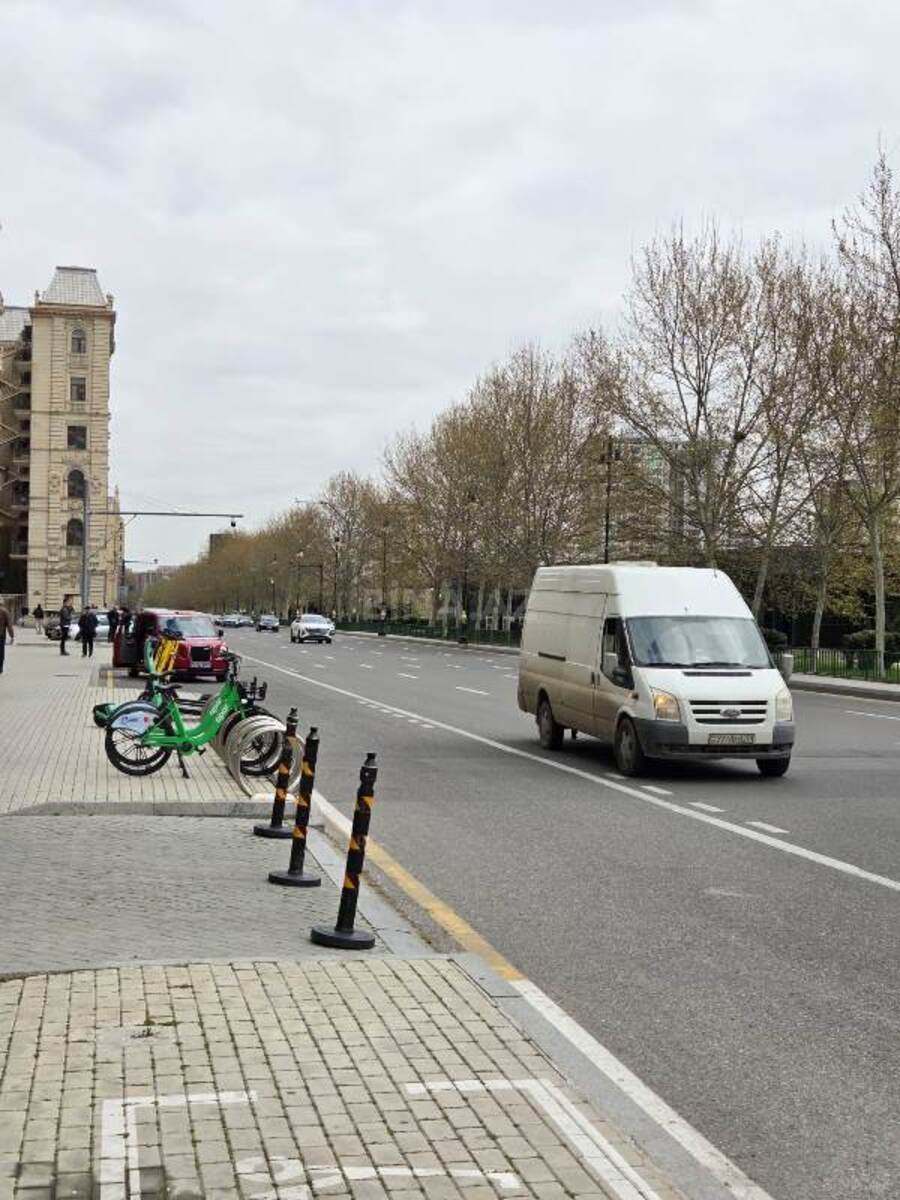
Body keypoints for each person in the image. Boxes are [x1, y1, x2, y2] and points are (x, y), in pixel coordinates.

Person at [0, 602, 13, 674]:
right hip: (1, 635)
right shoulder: (4, 611)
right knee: (1, 652)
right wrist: (12, 636)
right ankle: (0, 668)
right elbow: (9, 625)